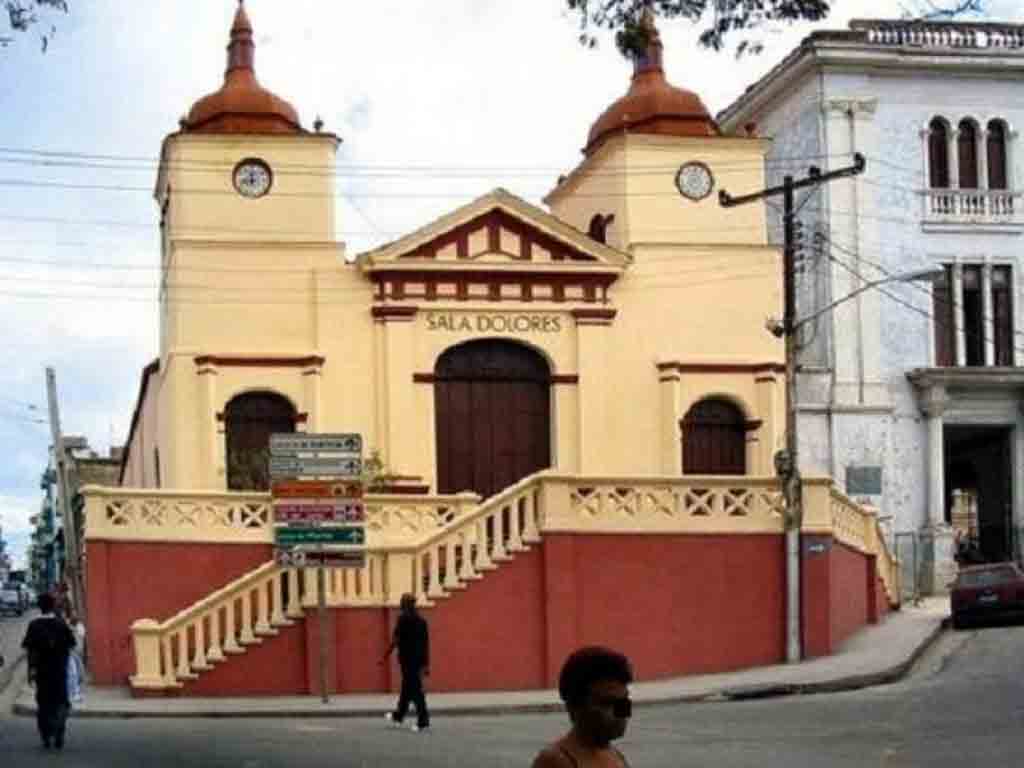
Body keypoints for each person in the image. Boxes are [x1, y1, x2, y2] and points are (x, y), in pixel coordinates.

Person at [531, 646, 634, 768]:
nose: (621, 713)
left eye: (623, 701)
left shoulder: (616, 757)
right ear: (575, 707)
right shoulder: (556, 762)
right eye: (606, 703)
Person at [22, 593, 76, 750]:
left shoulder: (33, 625)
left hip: (42, 671)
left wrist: (31, 671)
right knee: (61, 701)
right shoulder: (61, 624)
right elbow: (71, 644)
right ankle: (59, 729)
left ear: (39, 607)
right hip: (59, 670)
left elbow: (30, 651)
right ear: (53, 606)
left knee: (43, 703)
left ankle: (46, 736)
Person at [379, 592, 430, 732]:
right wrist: (426, 664)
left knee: (415, 691)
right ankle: (399, 715)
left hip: (407, 660)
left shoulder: (402, 620)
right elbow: (425, 645)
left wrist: (385, 656)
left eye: (402, 602)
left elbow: (396, 640)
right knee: (407, 689)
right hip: (418, 661)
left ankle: (423, 720)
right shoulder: (422, 621)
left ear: (405, 604)